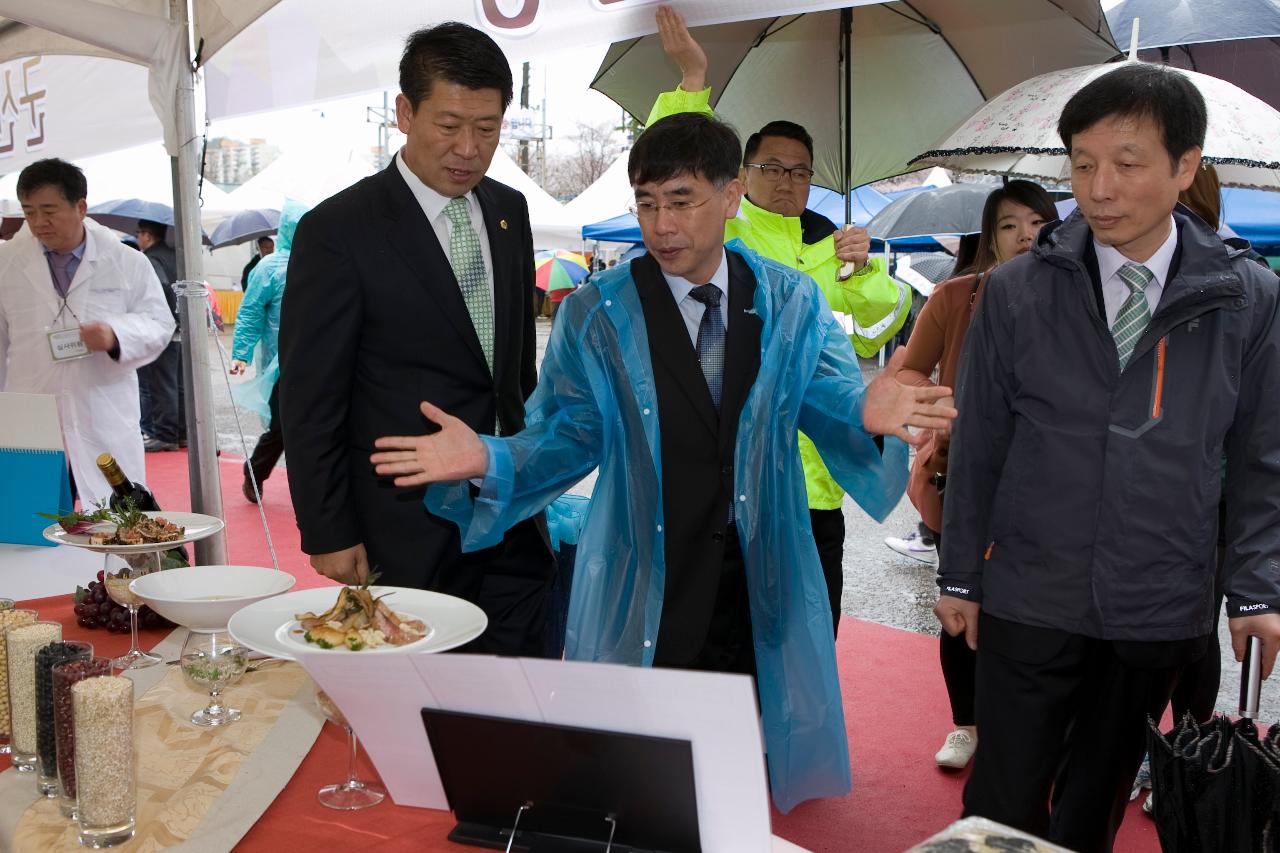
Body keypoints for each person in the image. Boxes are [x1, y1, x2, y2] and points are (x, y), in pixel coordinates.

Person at [370, 111, 956, 811]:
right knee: (637, 772)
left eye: (681, 200)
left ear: (731, 193)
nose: (661, 224)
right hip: (642, 572)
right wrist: (489, 457)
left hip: (756, 570)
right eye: (646, 203)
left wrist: (865, 410)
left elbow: (822, 397)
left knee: (740, 762)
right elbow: (568, 433)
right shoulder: (596, 311)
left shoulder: (790, 300)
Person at [933, 64, 1280, 852]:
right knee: (999, 801)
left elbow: (1263, 457)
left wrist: (1256, 587)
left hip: (1157, 599)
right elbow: (980, 441)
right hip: (1029, 593)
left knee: (1094, 795)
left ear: (1185, 167)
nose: (1098, 187)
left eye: (1126, 162)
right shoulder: (1017, 291)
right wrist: (960, 572)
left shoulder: (1248, 299)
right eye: (1081, 163)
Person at [278, 22, 554, 656]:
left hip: (508, 514)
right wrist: (327, 528)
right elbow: (310, 397)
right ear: (404, 113)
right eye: (449, 124)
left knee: (521, 689)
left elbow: (514, 371)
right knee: (418, 707)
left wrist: (530, 471)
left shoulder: (509, 211)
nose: (467, 148)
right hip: (401, 527)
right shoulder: (338, 230)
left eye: (487, 129)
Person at [648, 5, 911, 635]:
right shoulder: (723, 227)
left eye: (799, 170)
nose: (788, 181)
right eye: (772, 167)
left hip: (815, 482)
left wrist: (864, 268)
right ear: (741, 177)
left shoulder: (831, 242)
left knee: (812, 633)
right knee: (725, 636)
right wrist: (691, 83)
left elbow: (880, 325)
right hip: (729, 473)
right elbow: (672, 163)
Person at [893, 180, 1057, 771]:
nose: (1025, 236)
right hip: (964, 472)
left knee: (1037, 611)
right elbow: (909, 370)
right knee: (961, 595)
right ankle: (966, 723)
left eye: (1037, 222)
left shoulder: (1078, 299)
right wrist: (931, 404)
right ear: (990, 237)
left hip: (1051, 481)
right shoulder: (957, 295)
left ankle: (1026, 726)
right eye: (1010, 225)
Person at [0, 158, 174, 506]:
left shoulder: (125, 261)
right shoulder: (7, 263)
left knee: (112, 518)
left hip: (101, 407)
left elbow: (159, 322)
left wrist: (115, 335)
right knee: (33, 521)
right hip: (31, 408)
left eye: (49, 210)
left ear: (80, 206)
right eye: (29, 212)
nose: (38, 223)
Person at [230, 200, 308, 505]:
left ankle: (310, 487)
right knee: (283, 426)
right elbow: (250, 312)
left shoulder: (320, 261)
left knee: (313, 423)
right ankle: (256, 469)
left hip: (318, 360)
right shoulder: (270, 267)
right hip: (281, 363)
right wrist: (241, 354)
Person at [134, 218, 183, 452]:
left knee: (161, 383)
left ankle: (164, 434)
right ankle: (182, 432)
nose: (137, 239)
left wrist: (165, 318)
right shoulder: (176, 255)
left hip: (165, 327)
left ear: (146, 235)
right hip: (183, 327)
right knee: (179, 383)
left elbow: (162, 287)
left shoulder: (151, 258)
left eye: (138, 234)